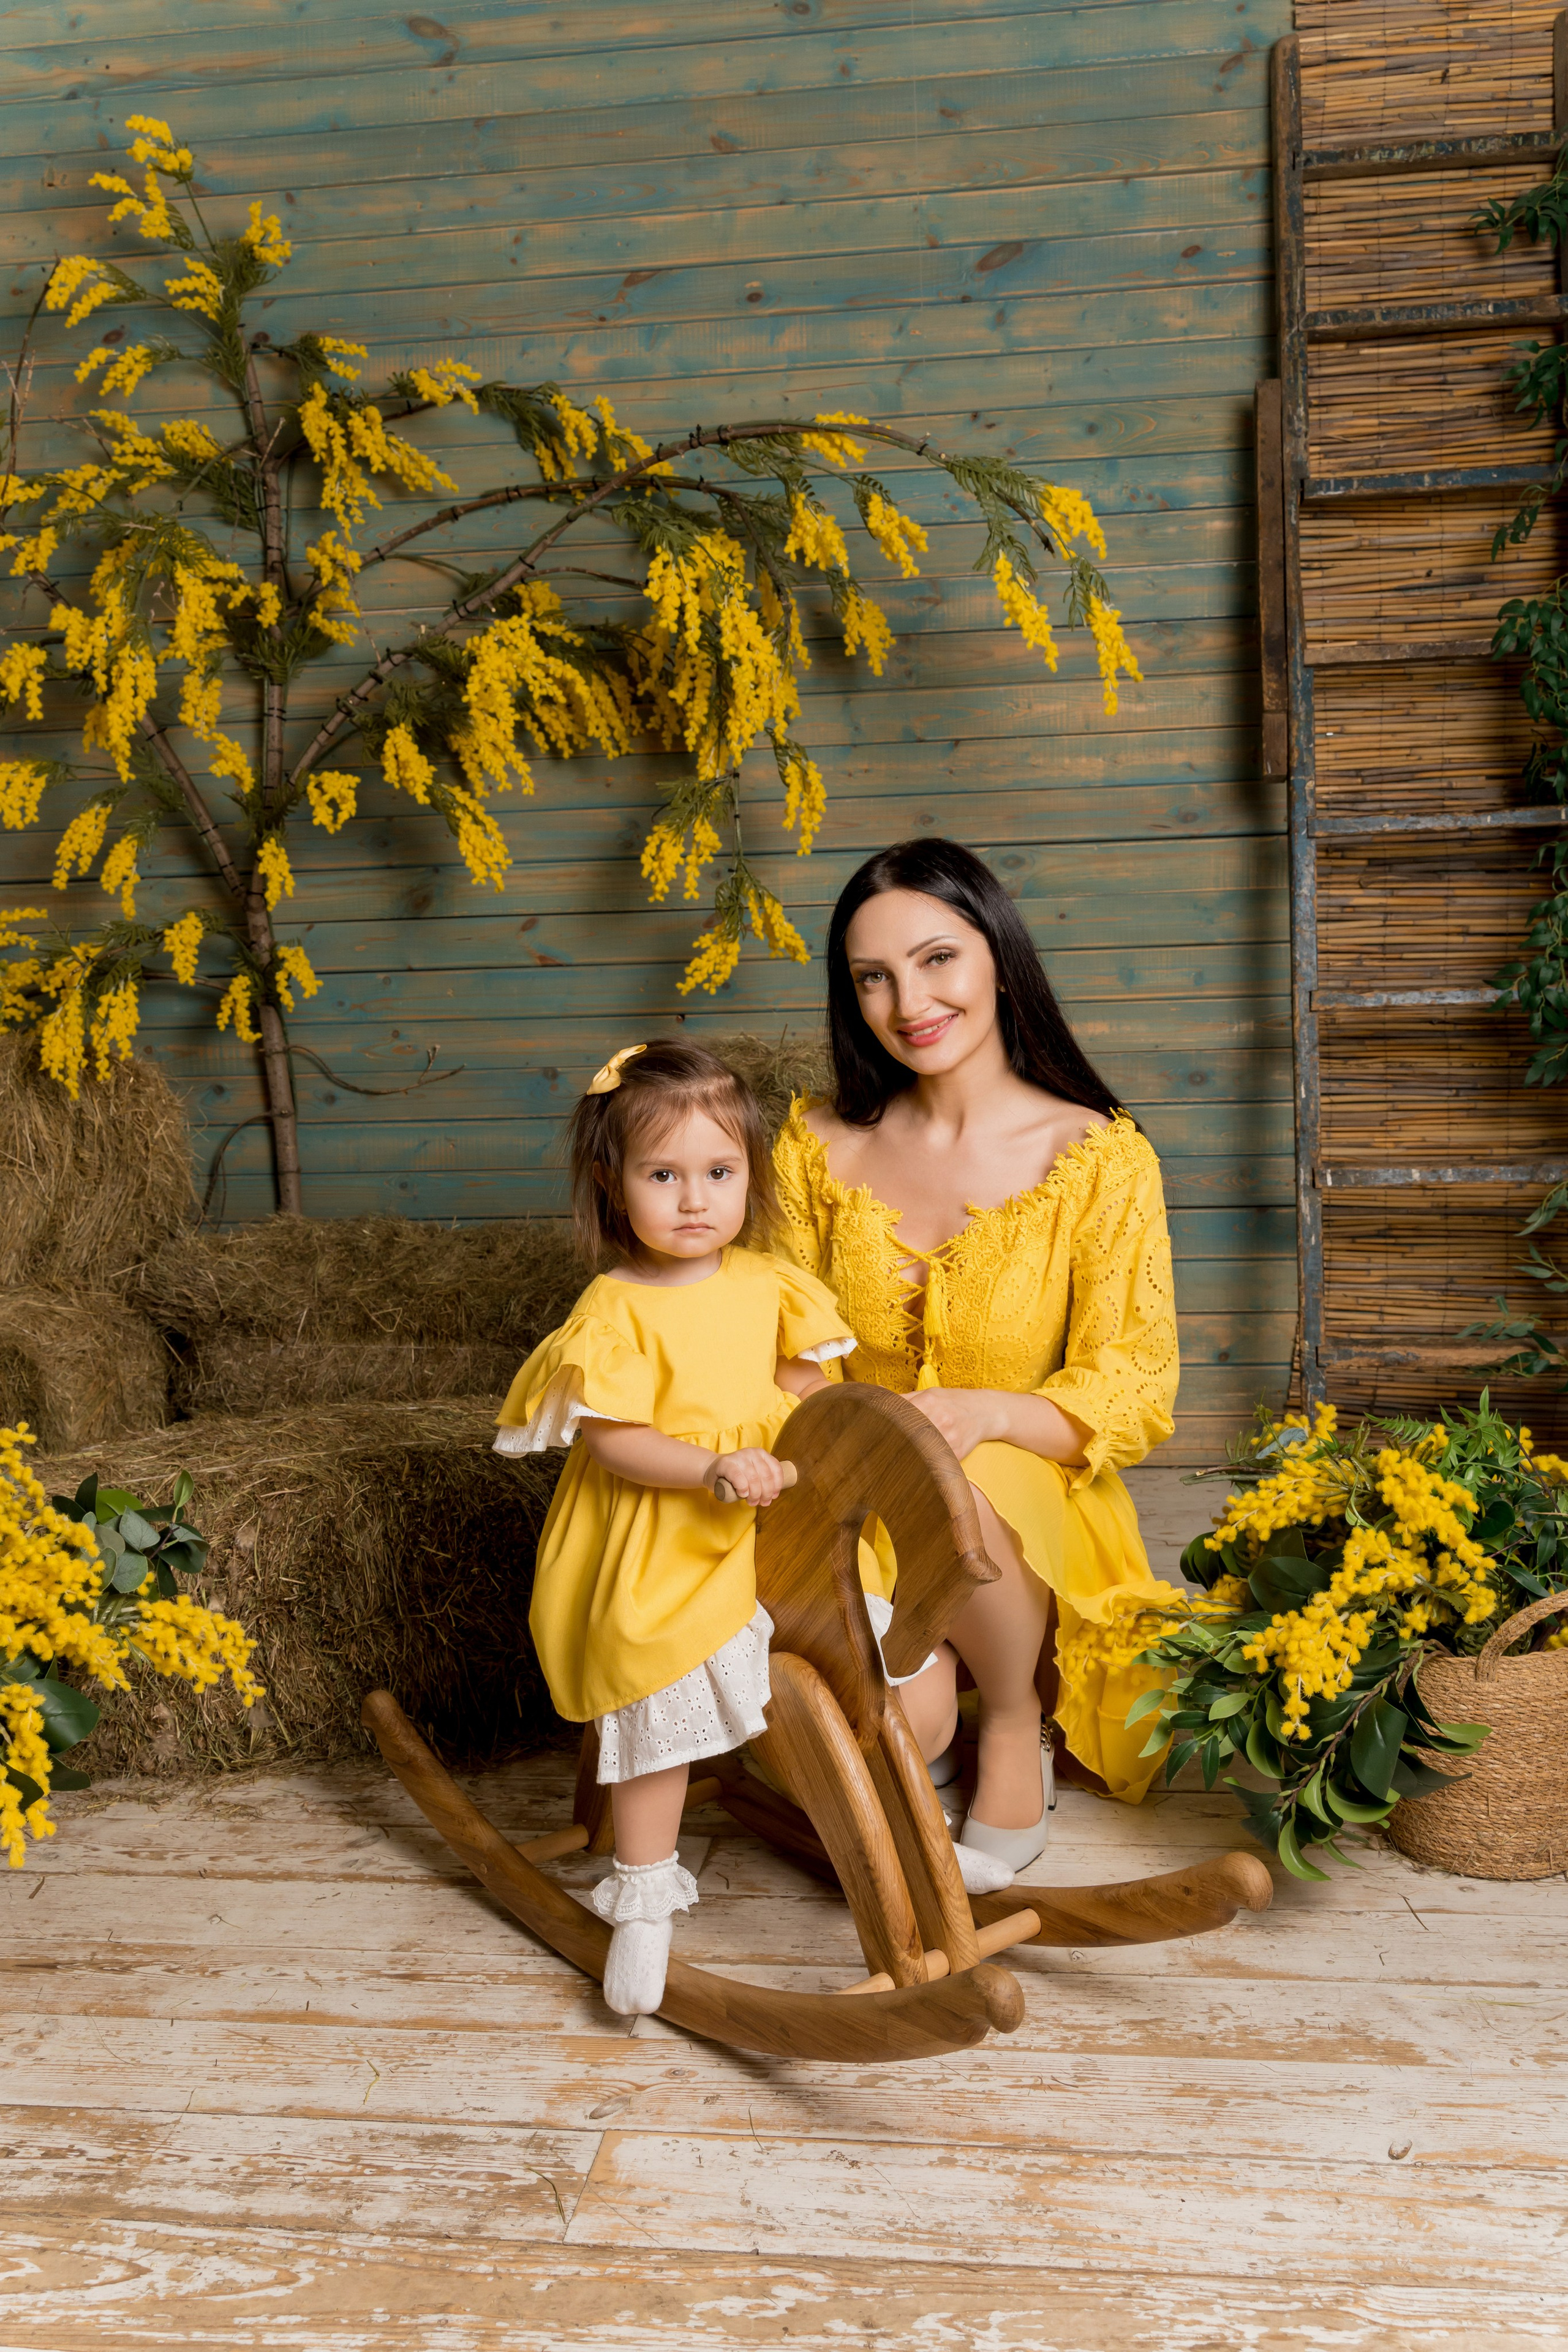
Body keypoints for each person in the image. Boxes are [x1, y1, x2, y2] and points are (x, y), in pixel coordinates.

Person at [492, 1038, 1008, 2021]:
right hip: (666, 1536)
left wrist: (832, 1442)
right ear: (612, 1183)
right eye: (663, 1176)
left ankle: (918, 1842)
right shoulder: (616, 1309)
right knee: (660, 1688)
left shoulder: (771, 1285)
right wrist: (710, 1467)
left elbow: (810, 1399)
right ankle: (645, 1895)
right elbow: (616, 1441)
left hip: (775, 1526)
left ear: (750, 1176)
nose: (695, 1199)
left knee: (881, 1657)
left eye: (719, 1173)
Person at [772, 837, 1180, 1870]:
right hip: (847, 1484)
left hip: (1028, 1485)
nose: (909, 1002)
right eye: (873, 976)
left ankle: (1011, 1715)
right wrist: (837, 1442)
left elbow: (1134, 1380)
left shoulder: (1099, 1158)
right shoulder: (812, 1146)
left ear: (1000, 955)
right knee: (896, 1735)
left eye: (937, 958)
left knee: (969, 1473)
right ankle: (938, 1691)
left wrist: (987, 1412)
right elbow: (779, 1332)